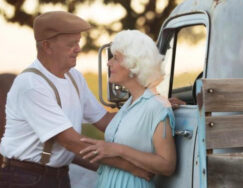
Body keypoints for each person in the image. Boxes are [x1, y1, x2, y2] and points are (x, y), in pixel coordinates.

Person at [0, 11, 152, 188]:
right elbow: (71, 141)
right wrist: (131, 167)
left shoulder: (74, 77)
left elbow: (105, 121)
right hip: (24, 177)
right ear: (47, 46)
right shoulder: (32, 85)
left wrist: (149, 106)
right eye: (71, 44)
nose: (78, 49)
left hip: (57, 175)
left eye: (78, 42)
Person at [79, 30, 177, 188]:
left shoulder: (156, 106)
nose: (109, 63)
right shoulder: (129, 104)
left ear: (134, 65)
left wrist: (119, 150)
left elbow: (167, 165)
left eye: (116, 58)